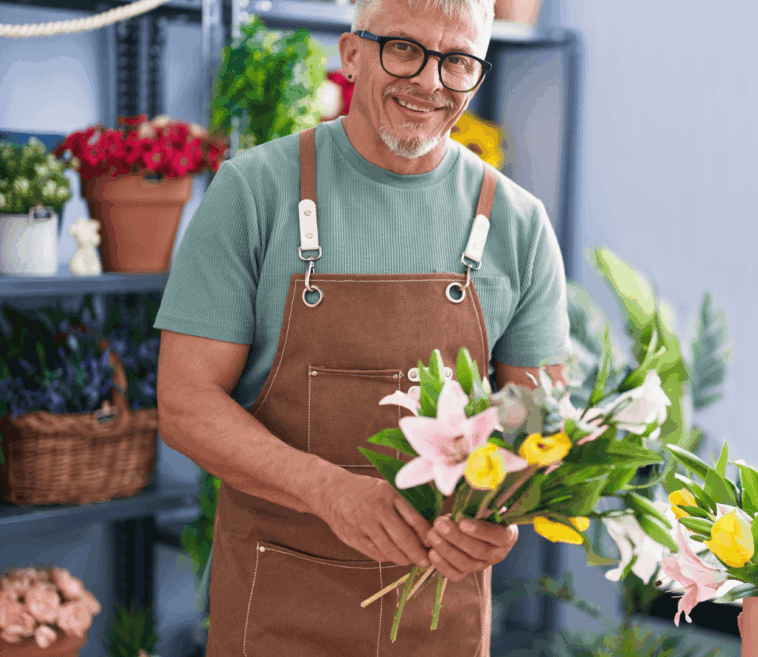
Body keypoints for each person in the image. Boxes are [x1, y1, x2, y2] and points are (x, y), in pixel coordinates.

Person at [153, 0, 569, 654]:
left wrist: (507, 518)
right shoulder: (253, 193)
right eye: (404, 48)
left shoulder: (518, 224)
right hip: (276, 605)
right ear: (351, 54)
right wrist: (326, 489)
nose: (431, 82)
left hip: (439, 614)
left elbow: (539, 429)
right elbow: (184, 403)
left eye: (457, 61)